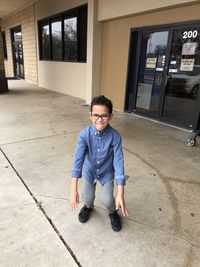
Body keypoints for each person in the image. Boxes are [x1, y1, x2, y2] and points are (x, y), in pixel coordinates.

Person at [70, 95, 128, 231]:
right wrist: (73, 190)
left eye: (104, 116)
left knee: (108, 200)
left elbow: (119, 163)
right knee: (87, 199)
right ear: (90, 115)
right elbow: (77, 161)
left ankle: (113, 213)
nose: (99, 120)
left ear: (111, 117)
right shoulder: (84, 135)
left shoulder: (115, 136)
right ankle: (88, 207)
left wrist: (120, 194)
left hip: (106, 172)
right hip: (89, 171)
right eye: (96, 115)